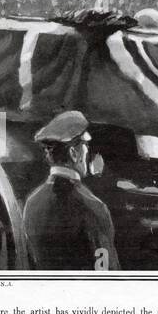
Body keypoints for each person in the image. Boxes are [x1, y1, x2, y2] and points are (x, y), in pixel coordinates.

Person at [23, 111, 120, 271]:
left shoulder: (32, 203)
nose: (88, 152)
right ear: (74, 154)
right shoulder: (93, 206)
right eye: (85, 146)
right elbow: (106, 272)